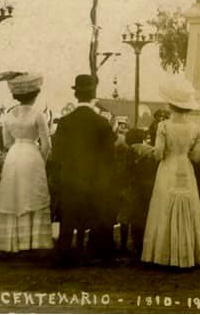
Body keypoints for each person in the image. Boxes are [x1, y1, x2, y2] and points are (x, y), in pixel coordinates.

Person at [141, 77, 200, 268]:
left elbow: (158, 154)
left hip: (168, 168)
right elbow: (197, 158)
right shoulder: (195, 128)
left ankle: (164, 252)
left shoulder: (163, 126)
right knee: (188, 204)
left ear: (171, 104)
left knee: (164, 206)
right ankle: (187, 253)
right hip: (185, 167)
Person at [50, 74, 116, 265]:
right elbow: (109, 157)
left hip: (70, 178)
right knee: (95, 214)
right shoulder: (102, 123)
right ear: (93, 95)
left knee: (69, 216)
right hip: (95, 179)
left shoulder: (64, 122)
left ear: (76, 96)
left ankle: (64, 252)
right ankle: (95, 251)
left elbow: (57, 155)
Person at [0, 73, 54, 253]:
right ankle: (32, 242)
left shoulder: (8, 116)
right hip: (32, 155)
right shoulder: (38, 114)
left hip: (14, 155)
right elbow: (47, 144)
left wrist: (18, 146)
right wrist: (42, 161)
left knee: (12, 194)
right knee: (31, 194)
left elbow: (7, 142)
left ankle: (9, 242)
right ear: (35, 94)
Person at [117, 129, 157, 258]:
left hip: (132, 187)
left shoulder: (131, 149)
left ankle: (124, 245)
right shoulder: (151, 150)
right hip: (147, 186)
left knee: (126, 217)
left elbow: (126, 170)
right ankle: (142, 247)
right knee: (142, 218)